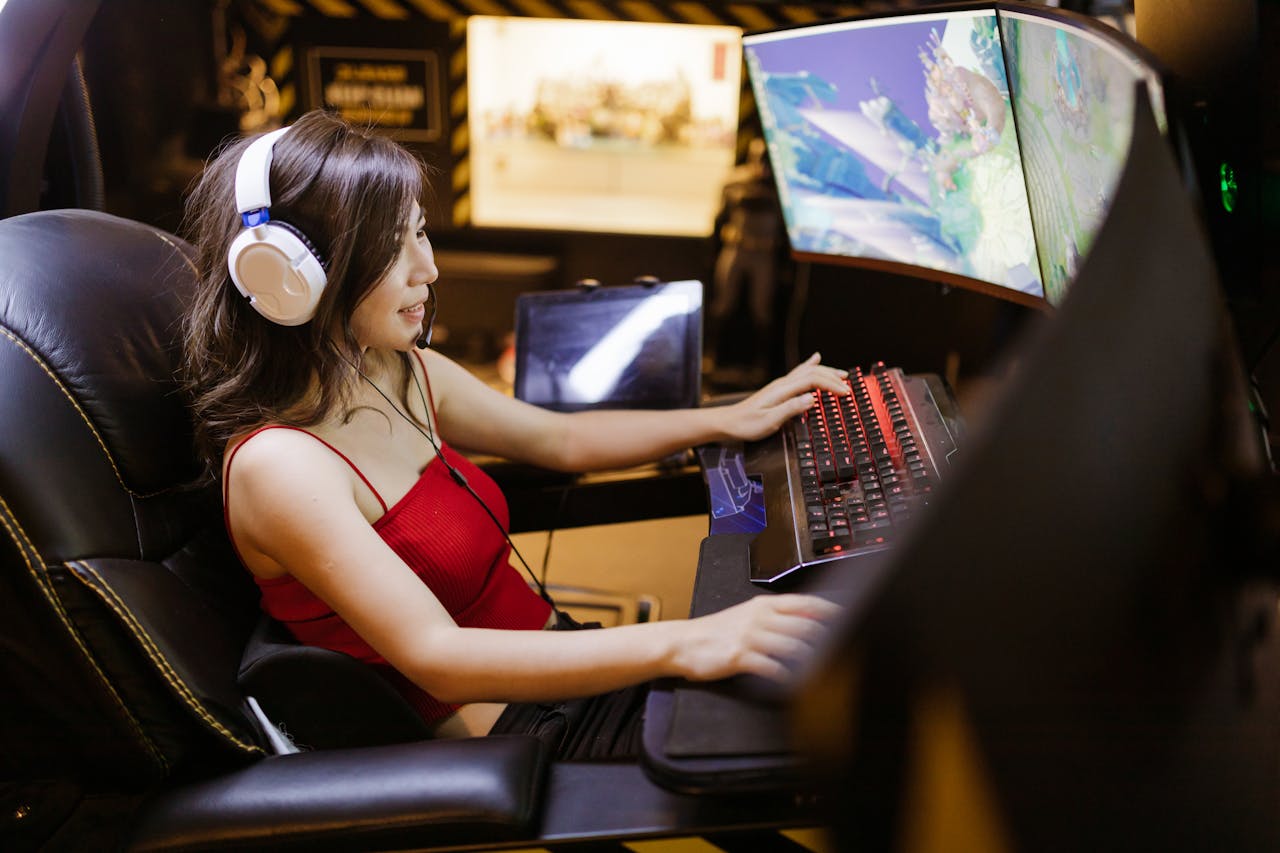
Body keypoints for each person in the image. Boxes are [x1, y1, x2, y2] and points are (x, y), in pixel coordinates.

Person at [181, 109, 847, 761]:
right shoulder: (281, 466)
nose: (428, 270)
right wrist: (687, 641)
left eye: (421, 234)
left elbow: (562, 441)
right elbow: (439, 659)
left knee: (834, 681)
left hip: (558, 660)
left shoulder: (394, 368)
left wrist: (726, 416)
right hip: (515, 731)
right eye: (393, 248)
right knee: (821, 726)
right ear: (290, 274)